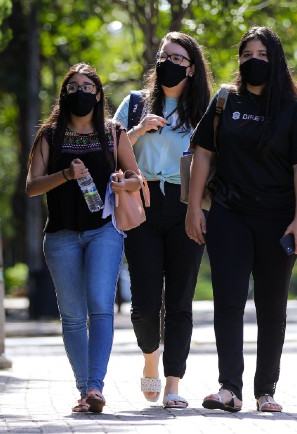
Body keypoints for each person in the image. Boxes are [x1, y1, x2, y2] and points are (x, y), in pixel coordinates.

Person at [185, 26, 297, 413]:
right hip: (229, 214)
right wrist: (194, 208)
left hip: (279, 219)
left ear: (275, 60)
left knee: (271, 305)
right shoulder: (225, 100)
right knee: (228, 301)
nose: (253, 61)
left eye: (262, 54)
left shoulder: (293, 108)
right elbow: (203, 155)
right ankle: (229, 388)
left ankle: (266, 391)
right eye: (247, 54)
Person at [25, 63, 142, 414]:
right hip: (60, 237)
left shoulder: (113, 132)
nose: (81, 92)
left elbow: (137, 178)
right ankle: (84, 390)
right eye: (73, 86)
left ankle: (96, 387)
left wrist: (125, 183)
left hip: (103, 231)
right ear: (64, 93)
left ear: (99, 93)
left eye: (88, 86)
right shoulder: (50, 135)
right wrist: (65, 174)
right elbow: (32, 186)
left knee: (100, 306)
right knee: (73, 316)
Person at [112, 32, 213, 409]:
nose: (168, 63)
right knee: (144, 299)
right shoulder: (135, 104)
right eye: (164, 56)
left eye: (178, 58)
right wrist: (138, 131)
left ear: (191, 69)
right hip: (143, 203)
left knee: (181, 300)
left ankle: (173, 383)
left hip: (187, 204)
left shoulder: (204, 110)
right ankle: (150, 358)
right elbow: (111, 147)